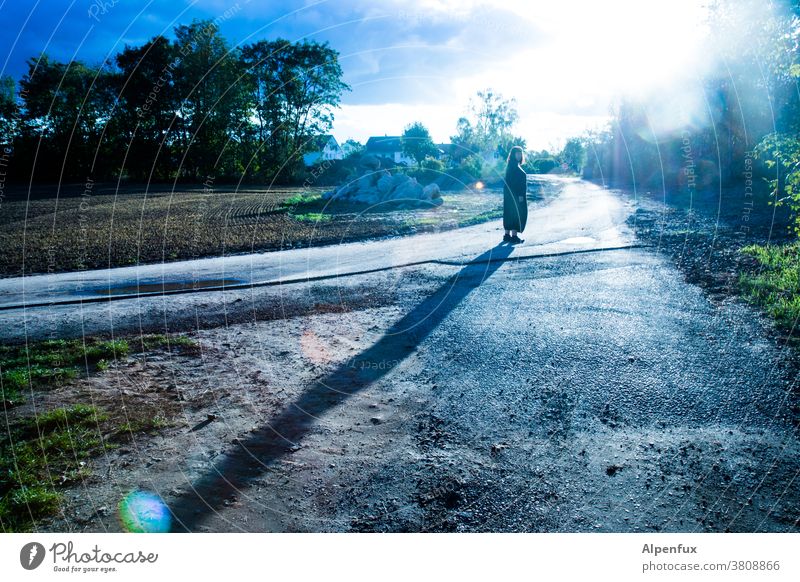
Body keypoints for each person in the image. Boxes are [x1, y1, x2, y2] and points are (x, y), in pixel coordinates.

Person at [503, 145, 528, 244]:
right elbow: (513, 182)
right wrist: (520, 196)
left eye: (520, 153)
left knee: (509, 213)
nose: (519, 155)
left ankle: (507, 235)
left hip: (510, 195)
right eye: (517, 153)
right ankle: (514, 236)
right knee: (516, 214)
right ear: (513, 154)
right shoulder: (513, 166)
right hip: (516, 195)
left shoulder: (512, 165)